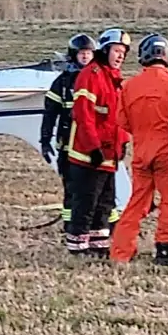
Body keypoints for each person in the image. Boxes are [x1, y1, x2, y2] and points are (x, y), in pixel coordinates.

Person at [111, 34, 168, 265]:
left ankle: (121, 252)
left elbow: (122, 120)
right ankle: (165, 249)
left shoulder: (128, 86)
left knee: (137, 202)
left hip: (141, 151)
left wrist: (141, 133)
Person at [65, 28, 131, 258]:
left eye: (123, 52)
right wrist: (93, 147)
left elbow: (119, 118)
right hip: (87, 153)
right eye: (116, 51)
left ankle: (99, 245)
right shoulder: (91, 75)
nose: (120, 56)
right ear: (105, 50)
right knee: (85, 202)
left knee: (105, 204)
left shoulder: (115, 80)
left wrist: (123, 142)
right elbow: (83, 115)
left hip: (109, 154)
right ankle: (78, 248)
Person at [40, 33, 98, 240]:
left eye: (89, 53)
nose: (85, 57)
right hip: (68, 144)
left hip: (92, 145)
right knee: (71, 187)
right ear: (74, 55)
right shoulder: (62, 83)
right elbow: (50, 113)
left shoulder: (98, 79)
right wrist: (45, 141)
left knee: (94, 188)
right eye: (82, 53)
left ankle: (94, 225)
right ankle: (69, 224)